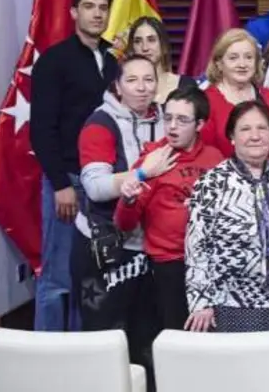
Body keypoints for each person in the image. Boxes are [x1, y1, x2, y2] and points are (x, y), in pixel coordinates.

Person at [31, 0, 119, 331]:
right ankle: (45, 352)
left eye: (103, 7)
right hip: (67, 181)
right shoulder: (54, 60)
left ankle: (84, 351)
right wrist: (59, 184)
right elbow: (42, 129)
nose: (97, 14)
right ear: (73, 12)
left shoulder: (114, 61)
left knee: (91, 276)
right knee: (57, 277)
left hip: (104, 183)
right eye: (89, 6)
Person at [72, 54, 170, 369]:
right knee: (104, 341)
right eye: (132, 80)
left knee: (148, 339)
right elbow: (95, 187)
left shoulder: (169, 119)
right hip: (106, 248)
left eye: (148, 79)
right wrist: (142, 173)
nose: (141, 88)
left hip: (152, 246)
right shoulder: (100, 123)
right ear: (118, 86)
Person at [185, 100, 269, 335]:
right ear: (232, 137)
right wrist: (201, 301)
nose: (255, 136)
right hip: (231, 305)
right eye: (245, 129)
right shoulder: (213, 182)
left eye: (262, 128)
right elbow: (197, 246)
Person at [114, 87, 225, 332]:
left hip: (212, 263)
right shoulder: (154, 160)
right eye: (168, 118)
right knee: (177, 337)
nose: (172, 127)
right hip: (170, 263)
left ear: (200, 124)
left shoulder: (215, 158)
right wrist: (128, 199)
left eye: (182, 120)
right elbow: (124, 224)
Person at [199, 29, 269, 177]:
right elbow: (204, 155)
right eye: (233, 58)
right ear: (219, 64)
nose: (242, 64)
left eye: (248, 57)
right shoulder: (206, 102)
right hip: (226, 186)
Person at [127, 15, 183, 103]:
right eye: (138, 41)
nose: (145, 48)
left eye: (151, 40)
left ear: (164, 45)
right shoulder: (122, 89)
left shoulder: (185, 85)